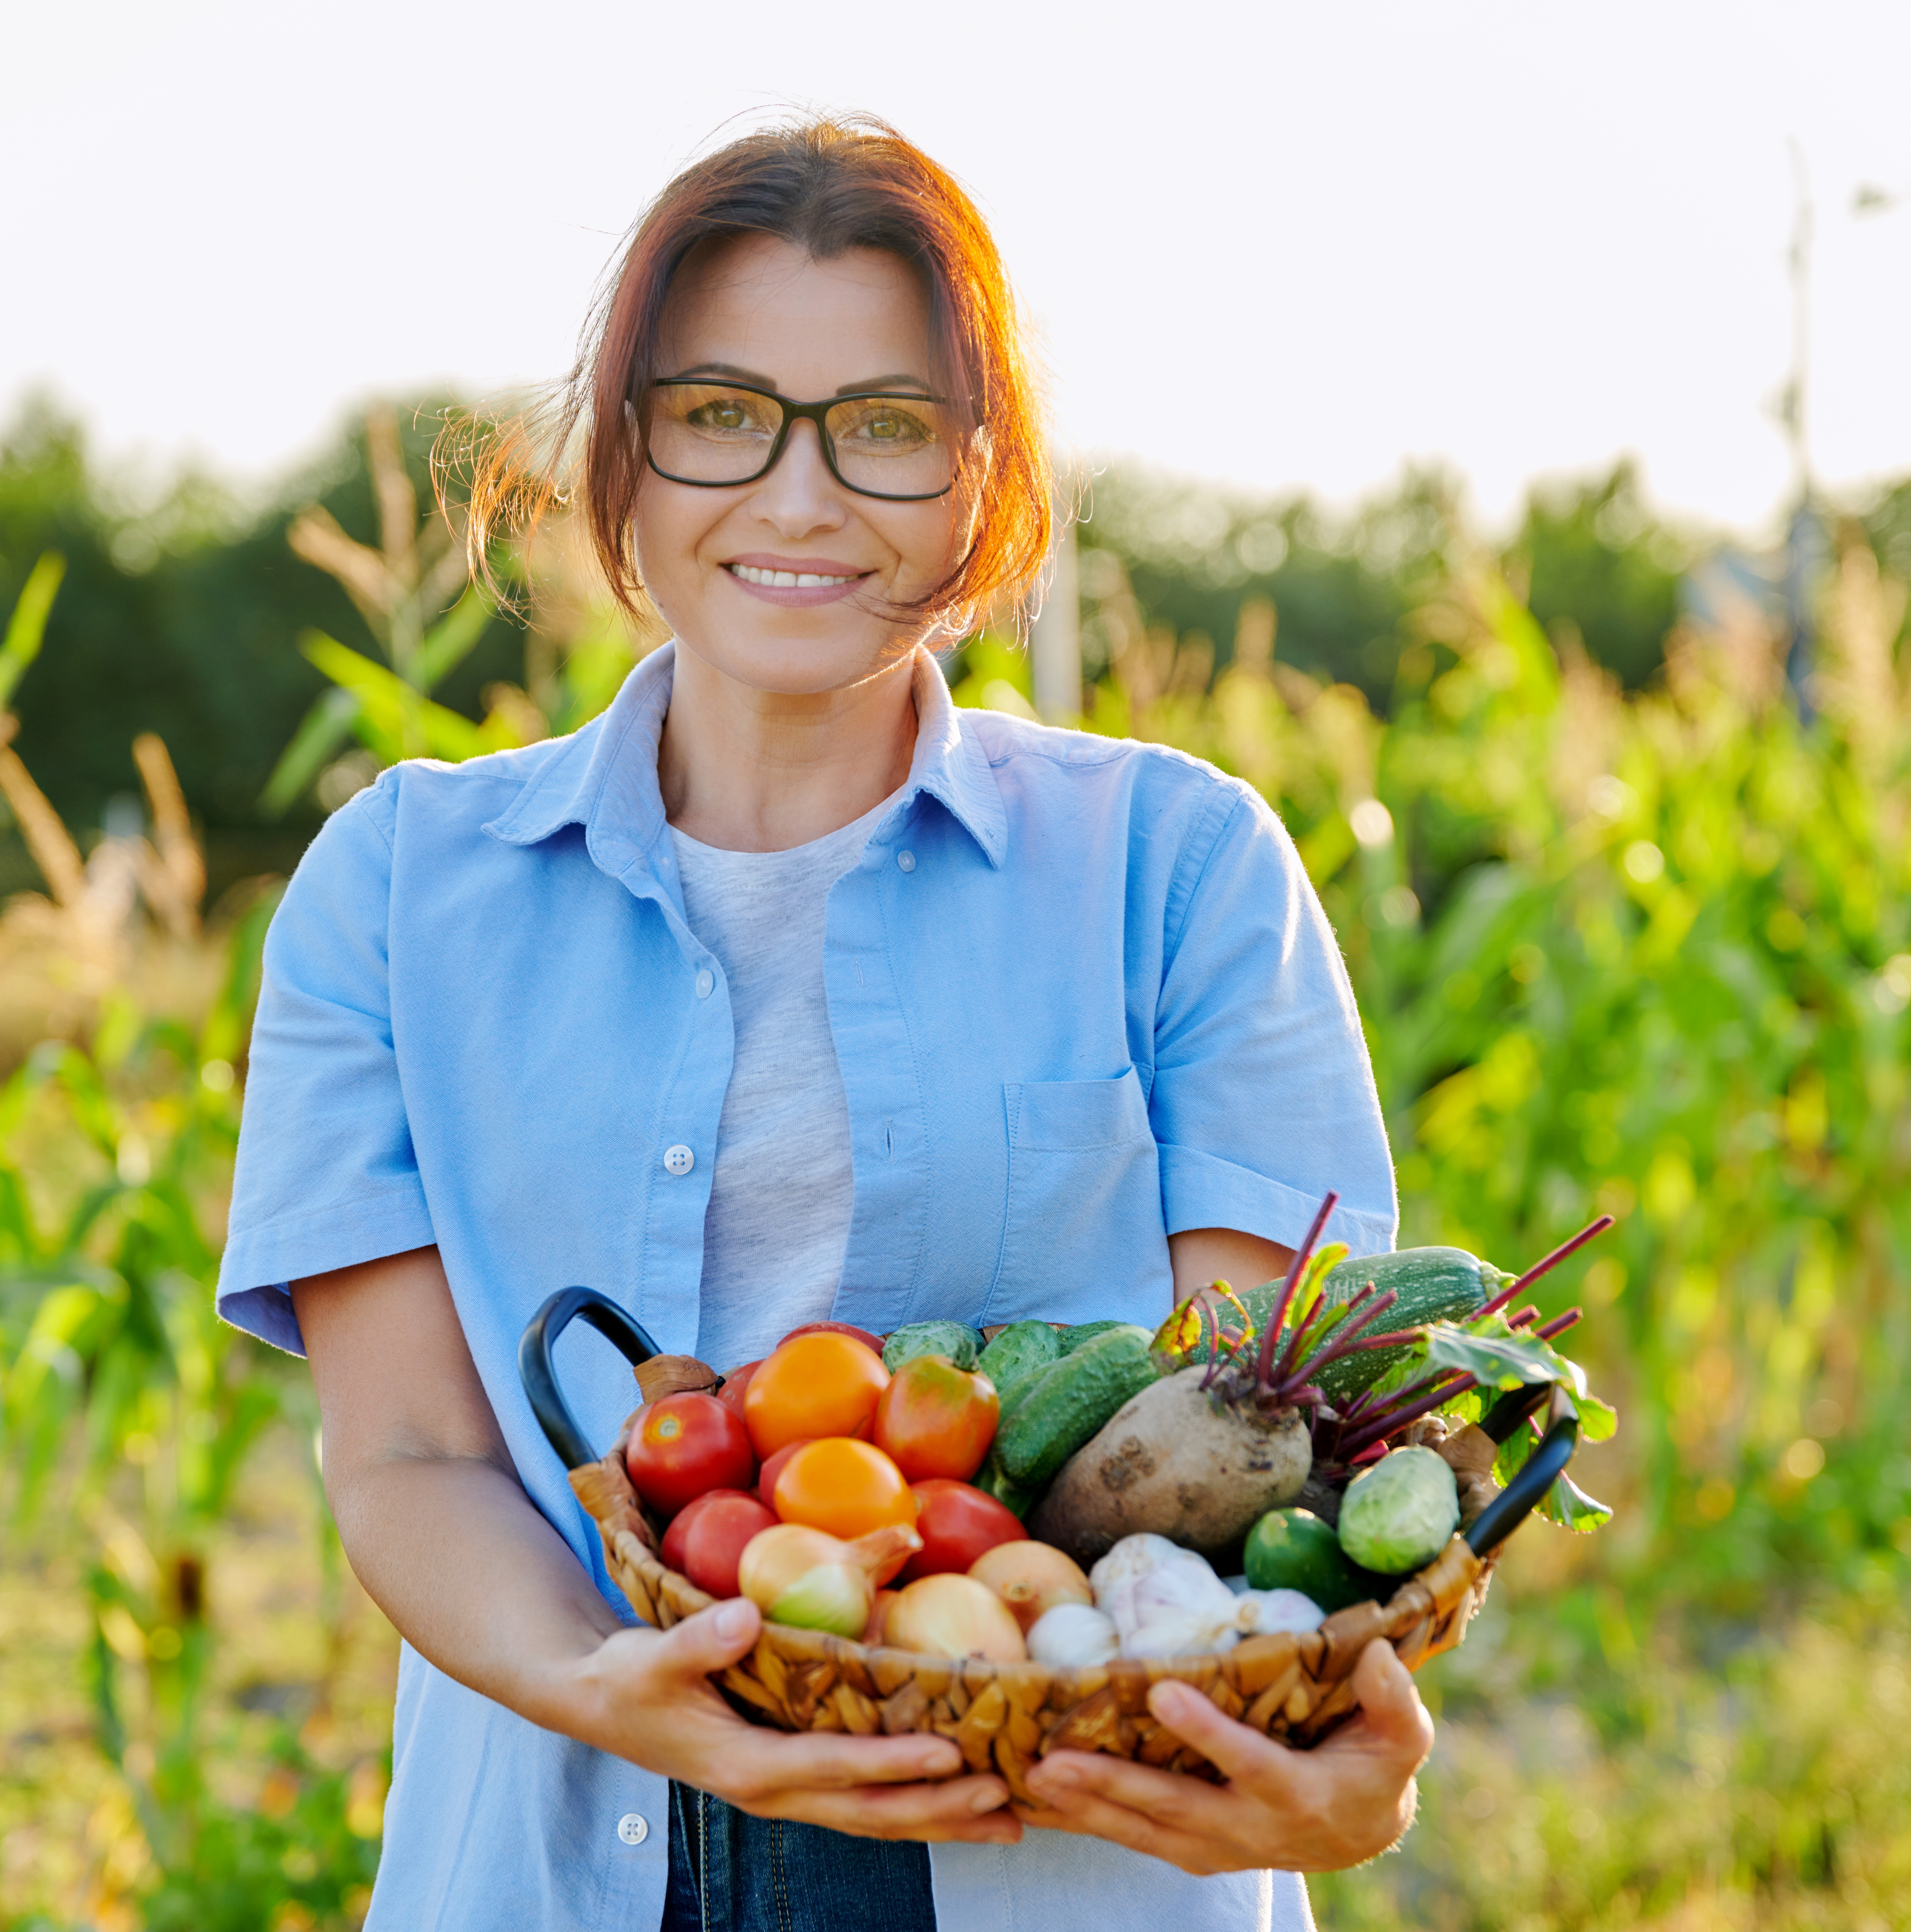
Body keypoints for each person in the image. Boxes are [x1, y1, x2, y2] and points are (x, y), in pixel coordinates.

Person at [216, 113, 1424, 1932]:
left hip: (1056, 1843)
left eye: (885, 427)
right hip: (563, 1847)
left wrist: (1329, 1759)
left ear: (980, 477)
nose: (798, 499)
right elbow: (410, 1461)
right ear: (622, 451)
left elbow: (1261, 1478)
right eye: (720, 414)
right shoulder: (398, 891)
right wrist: (613, 1691)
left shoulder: (1174, 869)